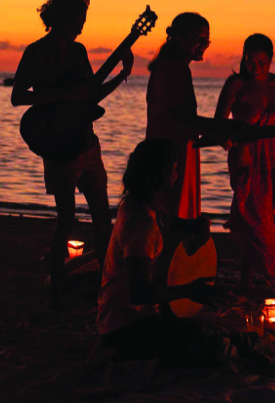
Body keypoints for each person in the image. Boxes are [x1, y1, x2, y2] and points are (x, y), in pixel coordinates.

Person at [11, 0, 133, 303]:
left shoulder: (79, 52)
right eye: (76, 22)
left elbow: (88, 97)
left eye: (82, 22)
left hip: (87, 142)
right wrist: (60, 95)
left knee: (102, 218)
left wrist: (121, 75)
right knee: (66, 219)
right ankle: (56, 289)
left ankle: (107, 287)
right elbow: (18, 96)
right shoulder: (36, 52)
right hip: (58, 146)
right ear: (59, 19)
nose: (80, 29)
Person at [95, 139, 222, 366]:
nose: (176, 173)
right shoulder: (140, 224)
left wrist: (196, 223)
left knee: (200, 334)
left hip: (134, 319)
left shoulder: (140, 203)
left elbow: (171, 223)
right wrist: (188, 290)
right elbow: (140, 293)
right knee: (202, 344)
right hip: (123, 328)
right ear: (160, 174)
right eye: (173, 168)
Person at [214, 34, 275, 289]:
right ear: (242, 56)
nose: (255, 66)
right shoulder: (235, 84)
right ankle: (247, 280)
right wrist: (240, 143)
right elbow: (219, 124)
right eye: (250, 60)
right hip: (246, 154)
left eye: (262, 61)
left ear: (271, 60)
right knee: (255, 215)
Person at [145, 12, 234, 218]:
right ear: (178, 38)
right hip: (169, 153)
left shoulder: (178, 68)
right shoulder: (171, 68)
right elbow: (175, 116)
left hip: (177, 150)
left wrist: (213, 129)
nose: (204, 44)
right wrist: (216, 129)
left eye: (207, 40)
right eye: (199, 38)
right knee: (172, 216)